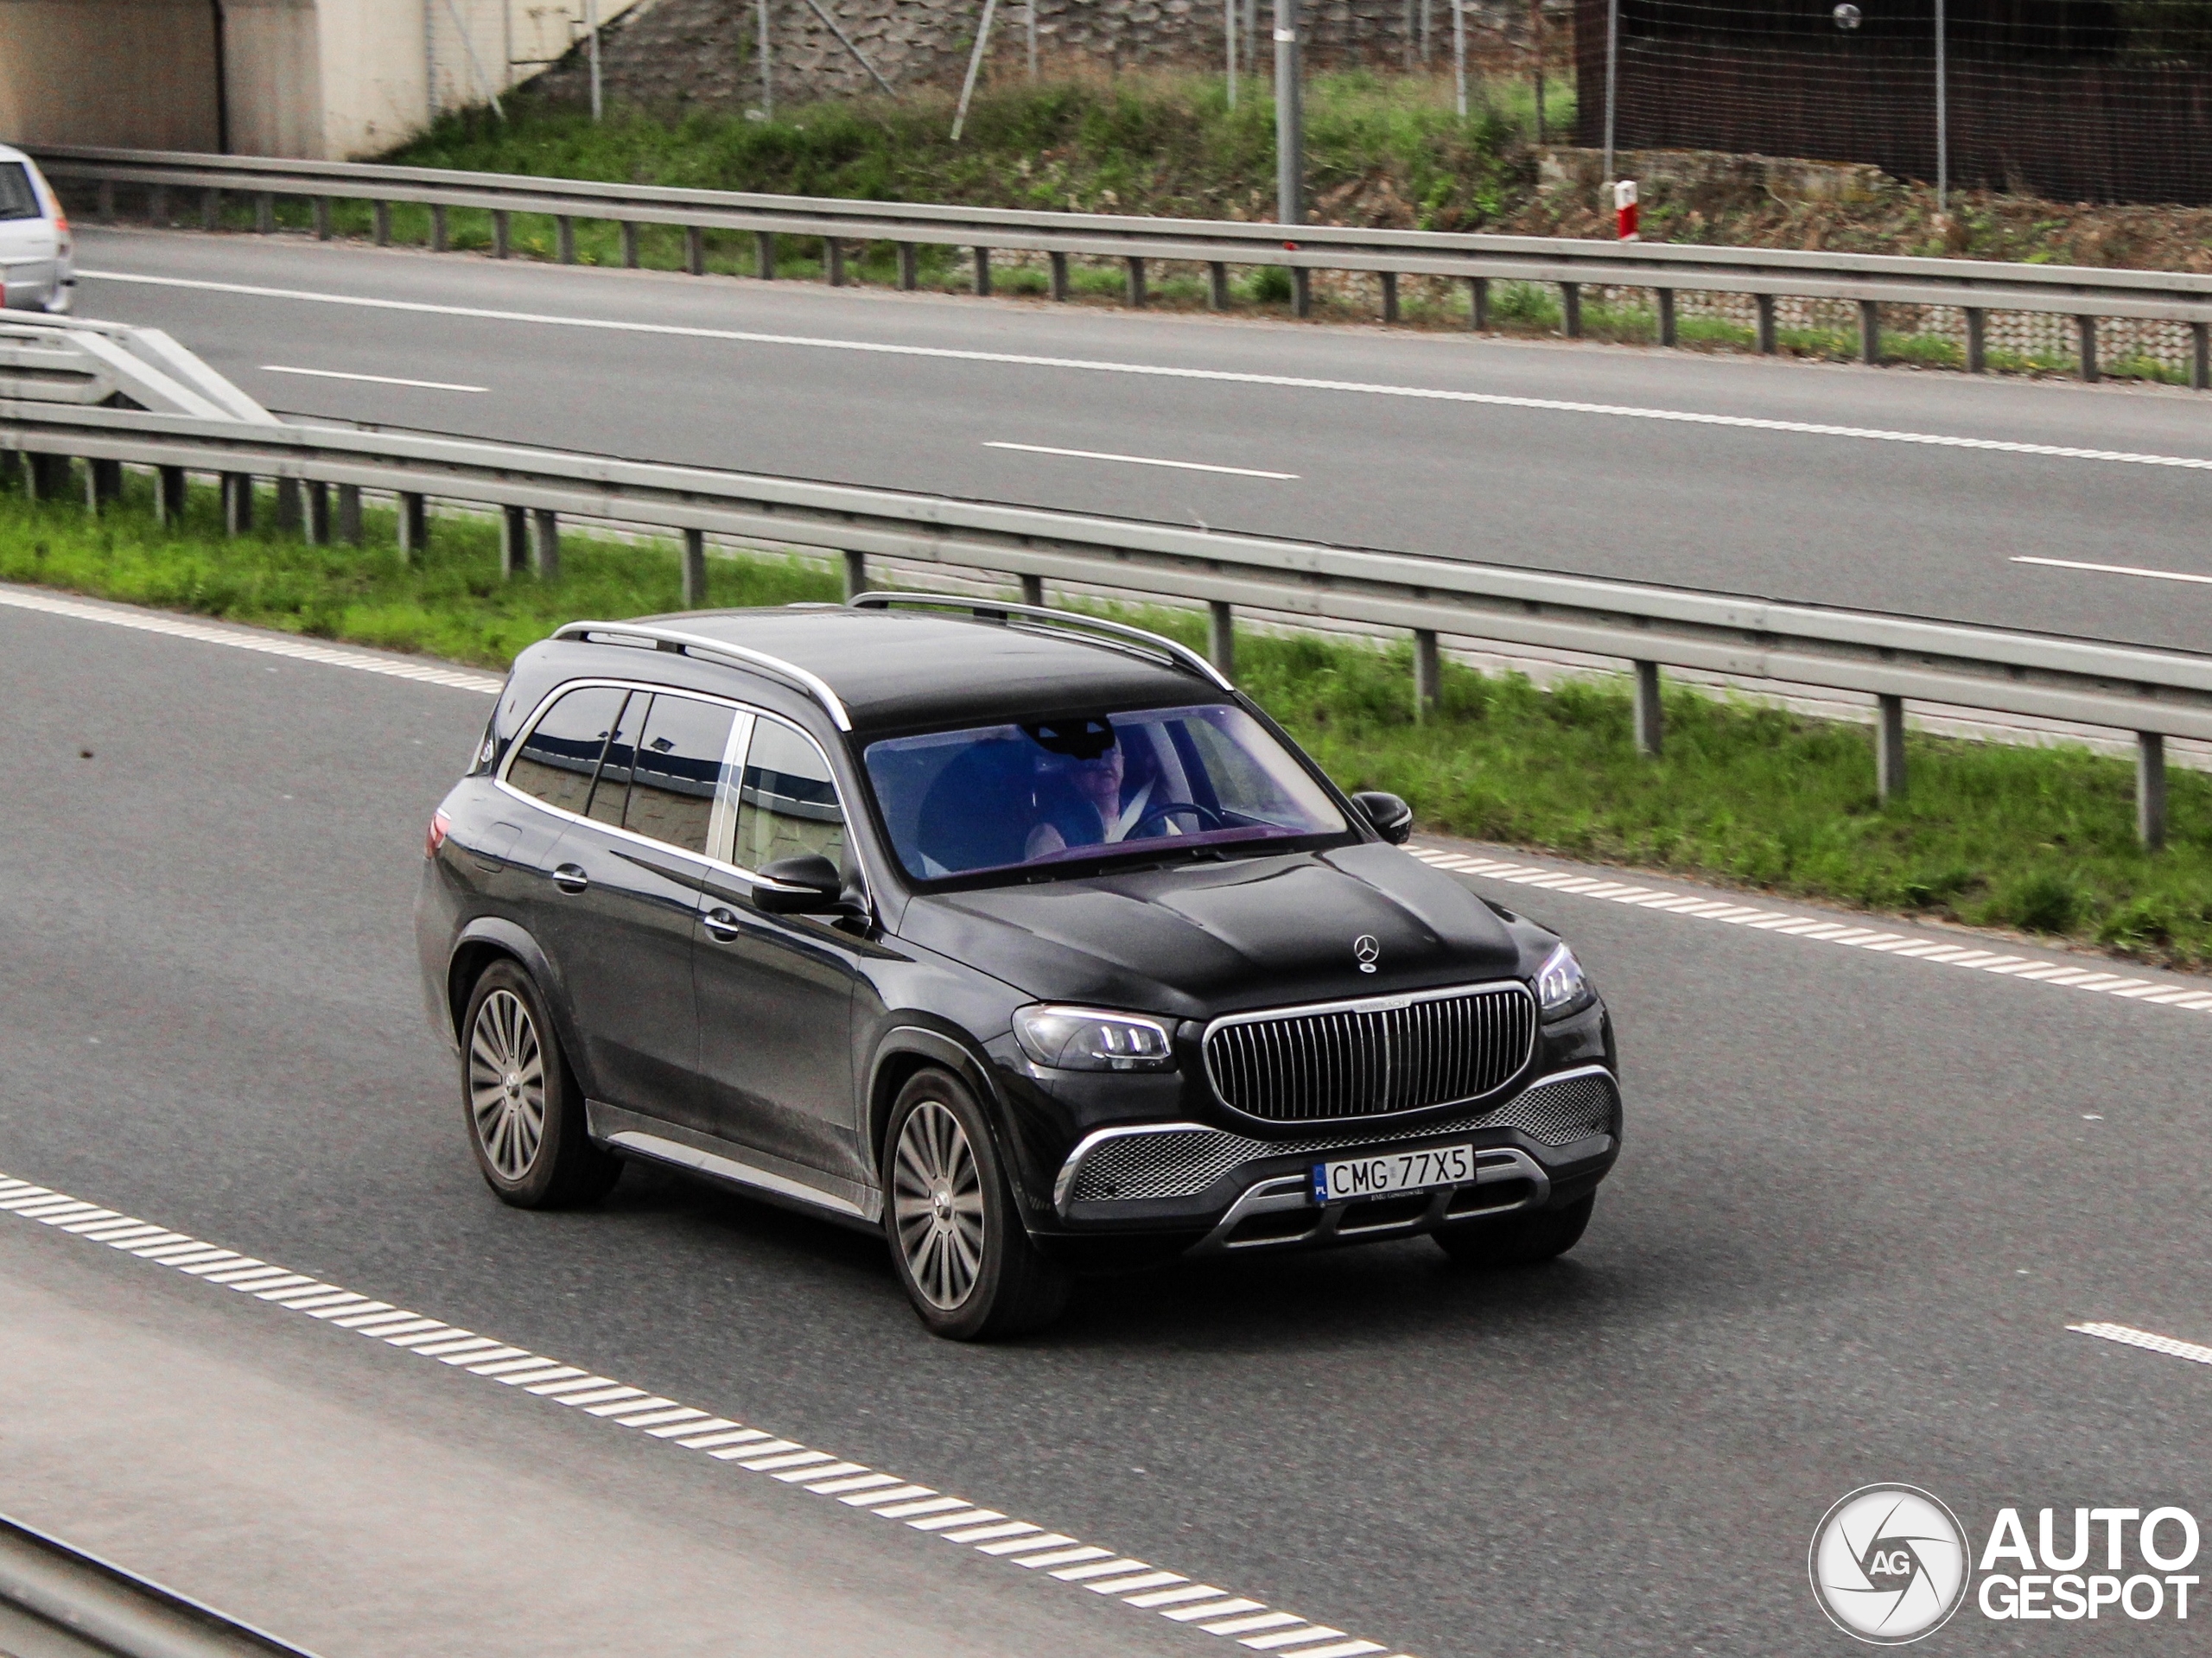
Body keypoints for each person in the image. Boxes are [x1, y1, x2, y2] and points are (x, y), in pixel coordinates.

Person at [1023, 733, 1158, 861]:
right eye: (1090, 757)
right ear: (1073, 775)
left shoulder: (1153, 817)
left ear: (1122, 763)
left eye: (1110, 753)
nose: (1103, 764)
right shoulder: (1049, 832)